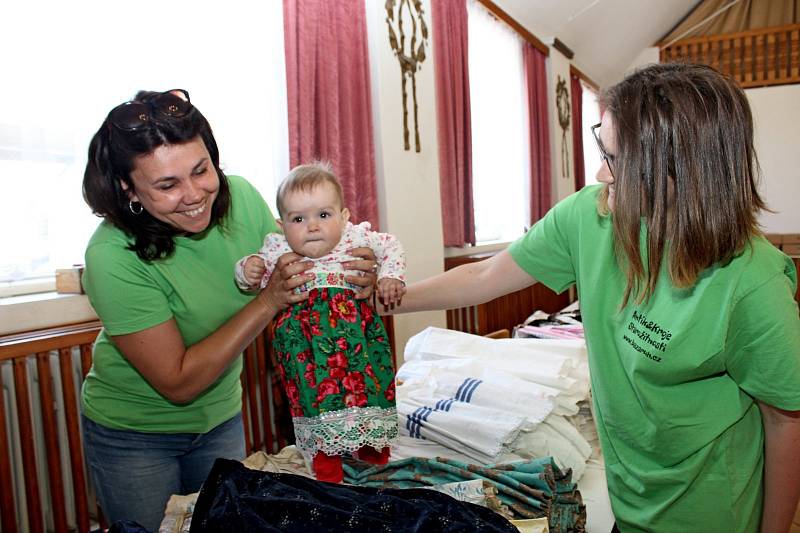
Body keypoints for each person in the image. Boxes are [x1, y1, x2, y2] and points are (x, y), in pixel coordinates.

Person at [394, 64, 800, 533]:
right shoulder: (589, 217)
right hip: (628, 503)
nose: (600, 172)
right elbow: (486, 273)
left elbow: (786, 420)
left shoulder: (751, 281)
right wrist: (388, 300)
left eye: (616, 159)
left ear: (680, 173)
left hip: (710, 513)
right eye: (601, 148)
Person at [80, 90, 378, 530]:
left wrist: (356, 271)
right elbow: (178, 383)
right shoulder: (111, 256)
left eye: (201, 170)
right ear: (129, 189)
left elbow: (303, 258)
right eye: (167, 185)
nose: (194, 194)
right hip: (134, 436)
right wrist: (269, 299)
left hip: (221, 415)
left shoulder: (239, 196)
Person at [235, 162, 405, 483]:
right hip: (305, 347)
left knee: (369, 385)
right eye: (298, 219)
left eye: (323, 215)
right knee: (314, 397)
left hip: (358, 339)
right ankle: (326, 459)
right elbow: (249, 272)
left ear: (344, 216)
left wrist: (390, 277)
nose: (312, 226)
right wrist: (249, 268)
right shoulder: (278, 247)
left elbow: (391, 245)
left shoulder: (355, 238)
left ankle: (373, 448)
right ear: (281, 225)